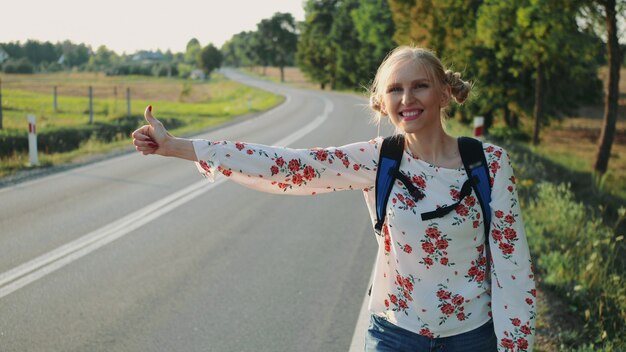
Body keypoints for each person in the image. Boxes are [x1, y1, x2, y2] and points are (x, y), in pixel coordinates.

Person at [132, 46, 536, 352]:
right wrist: (178, 147)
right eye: (395, 89)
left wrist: (515, 346)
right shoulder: (380, 159)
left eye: (420, 86)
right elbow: (287, 165)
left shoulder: (489, 163)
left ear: (445, 94)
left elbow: (513, 267)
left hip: (472, 337)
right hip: (395, 336)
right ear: (383, 103)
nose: (407, 99)